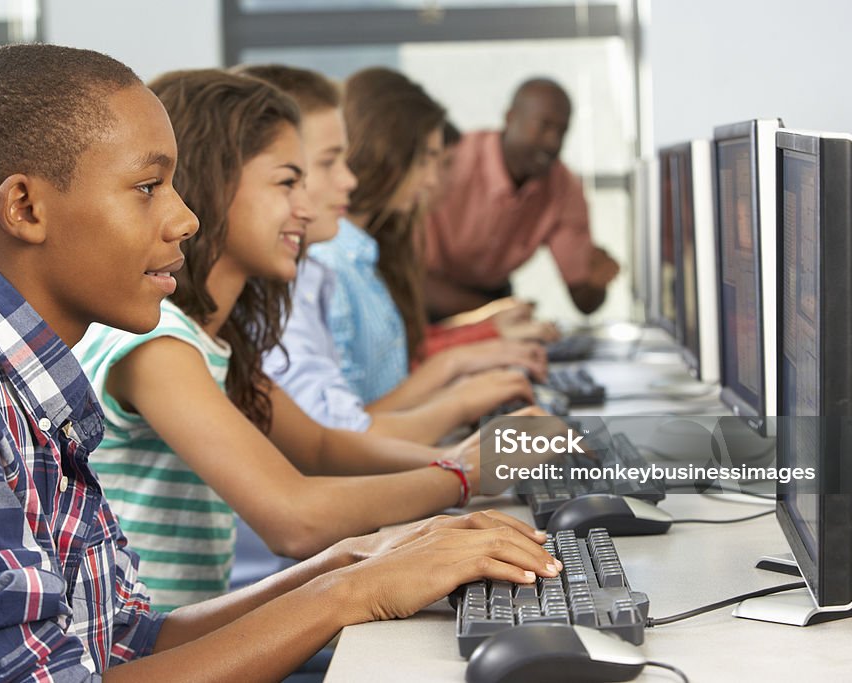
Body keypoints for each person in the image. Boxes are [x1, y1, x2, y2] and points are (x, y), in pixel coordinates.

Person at [0, 45, 560, 681]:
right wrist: (354, 586)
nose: (184, 219)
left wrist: (356, 561)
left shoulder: (31, 383)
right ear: (25, 206)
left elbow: (122, 640)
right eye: (148, 187)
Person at [74, 68, 562, 610]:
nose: (307, 208)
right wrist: (464, 472)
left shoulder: (214, 343)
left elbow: (326, 446)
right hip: (153, 652)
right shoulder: (159, 346)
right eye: (288, 183)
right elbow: (293, 518)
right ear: (215, 183)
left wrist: (462, 456)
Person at [246, 65, 542, 444]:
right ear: (390, 154)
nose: (435, 180)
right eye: (428, 159)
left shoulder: (333, 265)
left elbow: (338, 431)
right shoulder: (326, 263)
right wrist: (460, 405)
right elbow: (337, 439)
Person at [424, 77, 621, 319]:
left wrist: (596, 282)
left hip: (494, 296)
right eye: (544, 126)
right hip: (427, 293)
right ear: (509, 117)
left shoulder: (563, 187)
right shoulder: (450, 162)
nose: (553, 142)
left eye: (562, 131)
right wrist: (498, 312)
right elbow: (409, 281)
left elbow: (584, 301)